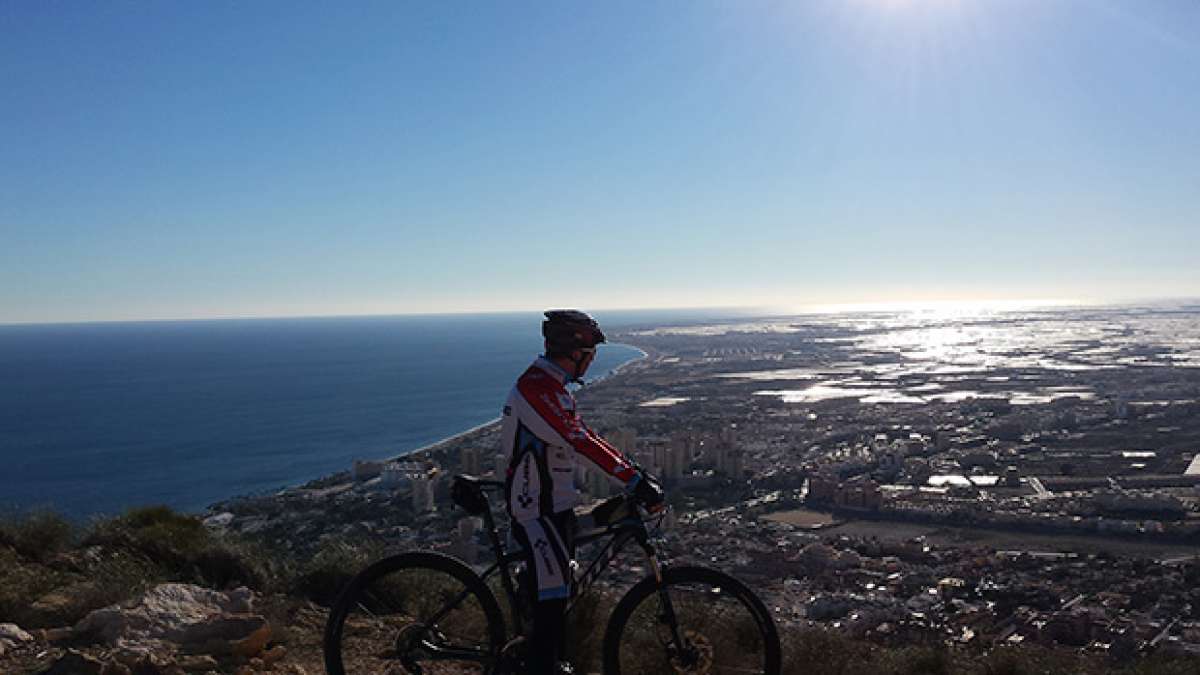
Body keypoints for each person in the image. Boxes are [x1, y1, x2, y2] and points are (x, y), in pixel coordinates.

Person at [501, 309, 664, 675]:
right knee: (554, 592)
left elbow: (584, 436)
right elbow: (578, 441)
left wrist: (631, 472)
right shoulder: (536, 389)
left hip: (553, 505)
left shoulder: (550, 387)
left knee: (561, 584)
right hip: (534, 509)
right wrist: (633, 481)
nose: (591, 364)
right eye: (590, 356)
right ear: (574, 353)